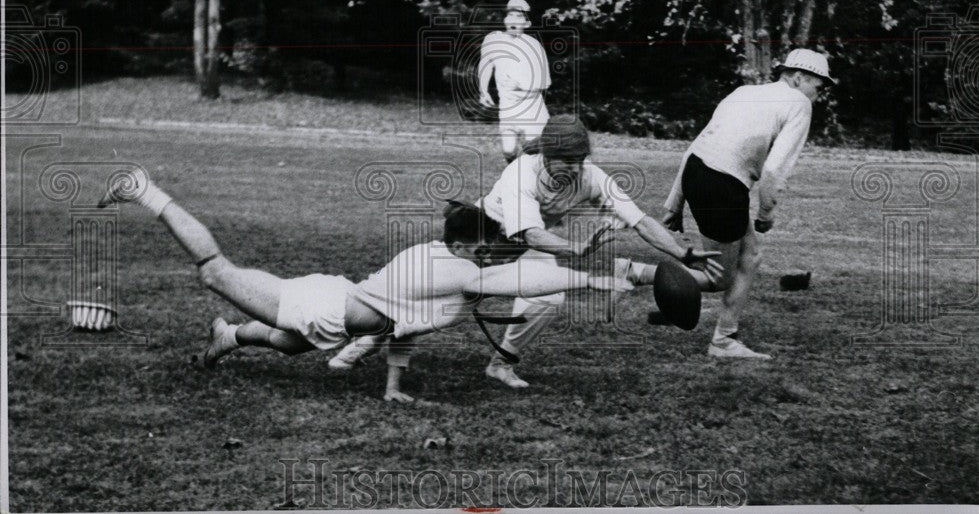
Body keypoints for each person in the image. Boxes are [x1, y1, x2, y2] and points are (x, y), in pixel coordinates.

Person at [97, 171, 634, 402]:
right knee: (215, 269)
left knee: (286, 345)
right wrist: (601, 277)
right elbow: (534, 276)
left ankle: (227, 337)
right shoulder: (460, 272)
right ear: (471, 247)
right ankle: (146, 190)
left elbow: (403, 329)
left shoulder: (445, 267)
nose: (495, 253)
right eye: (488, 246)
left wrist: (393, 387)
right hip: (321, 302)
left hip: (333, 306)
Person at [333, 116, 724, 387]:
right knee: (430, 295)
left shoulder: (591, 177)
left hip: (522, 248)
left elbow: (639, 220)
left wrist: (681, 253)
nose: (572, 169)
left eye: (579, 161)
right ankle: (367, 339)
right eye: (564, 161)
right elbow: (532, 233)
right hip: (481, 243)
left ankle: (501, 364)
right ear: (545, 154)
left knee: (549, 299)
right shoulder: (523, 171)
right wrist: (575, 247)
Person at [661, 48, 835, 360]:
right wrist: (766, 213)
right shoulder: (799, 104)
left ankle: (725, 338)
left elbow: (696, 146)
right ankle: (636, 275)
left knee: (751, 255)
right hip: (723, 185)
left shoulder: (744, 92)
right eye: (818, 87)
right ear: (799, 78)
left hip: (698, 172)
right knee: (720, 278)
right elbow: (772, 169)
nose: (817, 96)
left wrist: (675, 202)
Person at [478, 0, 552, 163]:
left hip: (531, 107)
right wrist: (483, 91)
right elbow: (486, 64)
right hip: (508, 107)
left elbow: (544, 83)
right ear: (505, 20)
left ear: (527, 24)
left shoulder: (534, 46)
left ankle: (531, 179)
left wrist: (521, 86)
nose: (513, 20)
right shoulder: (493, 40)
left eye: (519, 17)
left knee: (532, 149)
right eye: (510, 15)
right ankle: (515, 172)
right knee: (509, 151)